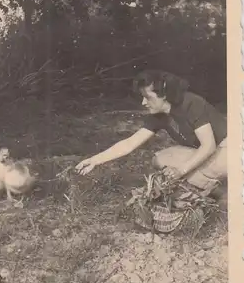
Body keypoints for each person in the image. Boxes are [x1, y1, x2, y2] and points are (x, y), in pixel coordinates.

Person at [76, 70, 227, 197]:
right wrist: (95, 160)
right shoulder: (159, 115)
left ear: (164, 94)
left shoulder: (192, 103)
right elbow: (129, 144)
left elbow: (209, 146)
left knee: (184, 168)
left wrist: (181, 171)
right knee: (160, 159)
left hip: (227, 149)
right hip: (207, 154)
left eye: (147, 97)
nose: (143, 102)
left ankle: (219, 189)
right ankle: (217, 190)